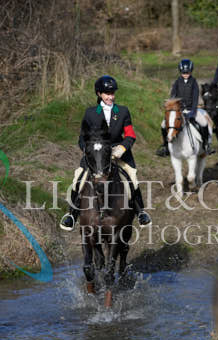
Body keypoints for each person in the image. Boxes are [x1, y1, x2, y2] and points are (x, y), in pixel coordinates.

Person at [60, 75, 152, 231]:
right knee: (78, 179)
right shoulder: (90, 113)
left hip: (118, 154)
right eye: (107, 94)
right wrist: (87, 150)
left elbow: (130, 135)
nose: (111, 97)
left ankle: (140, 212)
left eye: (112, 93)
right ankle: (71, 214)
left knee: (132, 178)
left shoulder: (122, 111)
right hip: (96, 155)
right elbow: (82, 138)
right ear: (99, 94)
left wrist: (122, 148)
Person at [157, 59, 213, 157]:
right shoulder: (176, 82)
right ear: (180, 71)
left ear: (191, 71)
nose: (186, 74)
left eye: (187, 72)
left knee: (204, 123)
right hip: (178, 110)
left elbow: (195, 99)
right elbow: (173, 97)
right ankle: (166, 146)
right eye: (183, 72)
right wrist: (173, 108)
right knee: (163, 125)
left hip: (192, 109)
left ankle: (206, 145)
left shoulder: (194, 83)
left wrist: (192, 112)